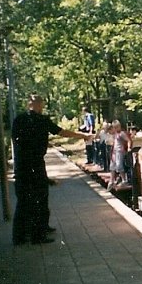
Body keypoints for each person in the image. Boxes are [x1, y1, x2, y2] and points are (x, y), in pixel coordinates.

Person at [12, 94, 92, 245]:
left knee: (23, 200)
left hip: (21, 164)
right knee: (40, 198)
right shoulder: (42, 120)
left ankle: (20, 236)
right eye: (41, 104)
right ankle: (38, 235)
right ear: (38, 104)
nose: (42, 107)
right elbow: (61, 132)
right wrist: (83, 136)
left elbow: (16, 140)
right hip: (35, 163)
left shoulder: (18, 120)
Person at [107, 120, 130, 191]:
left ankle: (124, 180)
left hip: (120, 151)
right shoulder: (115, 134)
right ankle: (111, 181)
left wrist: (129, 148)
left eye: (117, 127)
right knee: (112, 166)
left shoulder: (122, 133)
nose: (116, 129)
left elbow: (128, 140)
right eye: (115, 128)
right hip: (115, 151)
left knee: (119, 166)